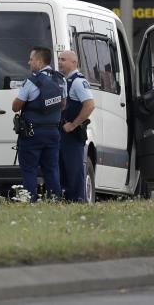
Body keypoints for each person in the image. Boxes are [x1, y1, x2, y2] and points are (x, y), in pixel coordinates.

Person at [12, 47, 66, 202]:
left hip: (32, 134)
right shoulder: (60, 79)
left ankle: (30, 200)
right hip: (53, 133)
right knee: (52, 169)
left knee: (29, 169)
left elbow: (16, 106)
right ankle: (54, 200)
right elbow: (63, 104)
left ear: (40, 62)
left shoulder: (31, 81)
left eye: (31, 59)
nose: (29, 62)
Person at [58, 50, 95, 202]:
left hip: (73, 135)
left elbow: (90, 105)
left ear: (74, 63)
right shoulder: (66, 81)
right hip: (63, 134)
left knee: (74, 169)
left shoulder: (78, 82)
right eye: (59, 59)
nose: (60, 62)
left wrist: (73, 125)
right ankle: (67, 200)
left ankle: (78, 200)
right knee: (64, 169)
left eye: (63, 59)